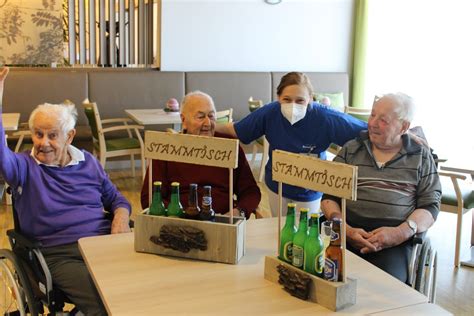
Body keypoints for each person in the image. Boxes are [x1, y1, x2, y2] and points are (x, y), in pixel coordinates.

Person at [0, 67, 131, 315]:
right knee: (109, 302)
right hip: (59, 255)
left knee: (146, 285)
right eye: (38, 134)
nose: (43, 142)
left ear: (69, 136)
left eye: (52, 135)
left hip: (104, 244)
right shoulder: (23, 167)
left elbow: (117, 199)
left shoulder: (88, 162)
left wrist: (121, 216)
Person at [321, 92, 441, 283]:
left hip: (394, 243)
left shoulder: (420, 157)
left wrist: (400, 232)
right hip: (344, 235)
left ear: (404, 126)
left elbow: (430, 207)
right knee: (324, 278)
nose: (373, 123)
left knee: (385, 288)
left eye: (383, 120)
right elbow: (329, 197)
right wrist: (345, 229)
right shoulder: (352, 149)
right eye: (372, 115)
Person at [215, 72, 367, 216]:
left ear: (310, 100)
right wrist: (207, 125)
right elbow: (237, 129)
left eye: (300, 100)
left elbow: (365, 132)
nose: (293, 105)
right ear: (278, 97)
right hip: (277, 186)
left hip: (311, 189)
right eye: (287, 99)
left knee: (306, 232)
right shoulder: (269, 113)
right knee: (279, 228)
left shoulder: (326, 117)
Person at [141, 91, 261, 218]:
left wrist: (239, 212)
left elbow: (251, 191)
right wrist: (177, 215)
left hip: (223, 220)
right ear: (183, 120)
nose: (208, 123)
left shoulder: (228, 146)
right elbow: (148, 198)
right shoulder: (167, 148)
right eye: (200, 117)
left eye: (211, 116)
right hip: (177, 222)